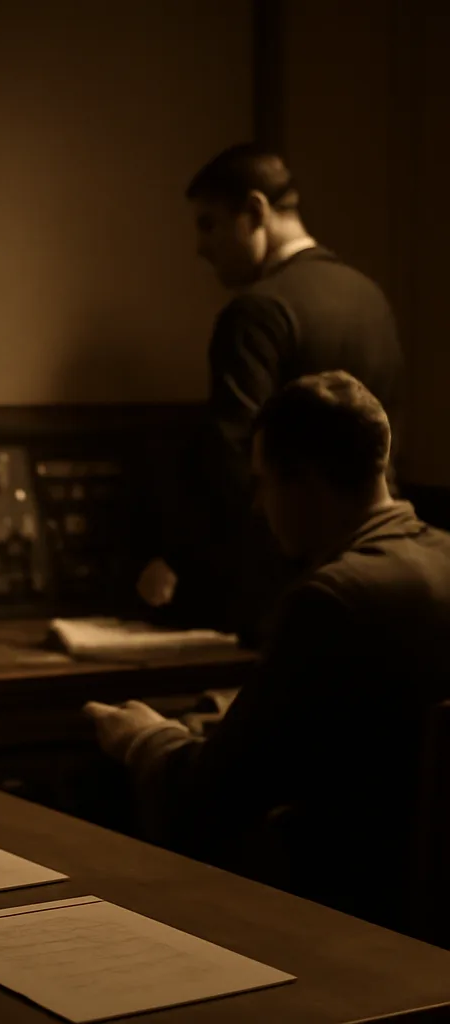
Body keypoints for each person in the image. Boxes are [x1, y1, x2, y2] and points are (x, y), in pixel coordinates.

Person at [85, 372, 450, 933]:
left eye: (263, 484)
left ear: (303, 482)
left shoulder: (329, 599)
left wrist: (143, 737)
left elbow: (213, 795)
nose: (258, 507)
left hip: (348, 912)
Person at [136, 143, 404, 646]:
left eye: (209, 224)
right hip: (377, 564)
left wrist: (182, 561)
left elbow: (234, 455)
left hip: (280, 584)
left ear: (255, 211)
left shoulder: (257, 312)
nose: (200, 246)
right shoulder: (371, 297)